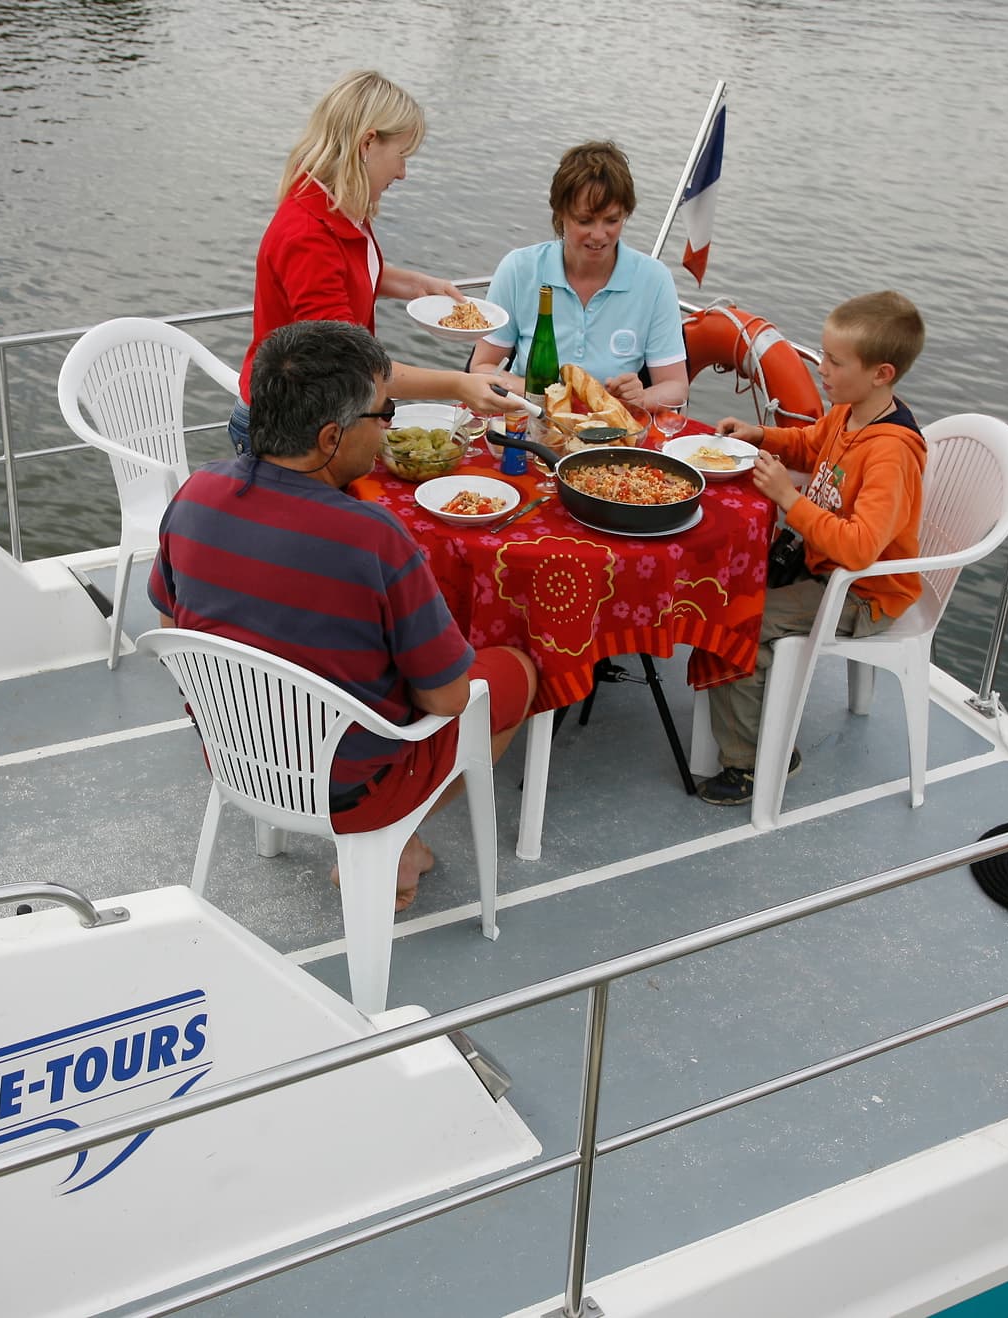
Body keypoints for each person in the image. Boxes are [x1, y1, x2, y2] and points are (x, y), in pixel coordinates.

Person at [153, 319, 537, 906]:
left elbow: (170, 631)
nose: (387, 428)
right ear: (331, 436)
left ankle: (394, 841)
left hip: (236, 754)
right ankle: (398, 836)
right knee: (517, 670)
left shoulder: (195, 493)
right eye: (384, 415)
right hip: (355, 786)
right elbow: (447, 701)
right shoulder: (372, 537)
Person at [698, 290, 929, 805]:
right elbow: (810, 445)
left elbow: (861, 548)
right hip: (819, 565)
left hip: (861, 592)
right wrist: (761, 436)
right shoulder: (850, 412)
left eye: (834, 360)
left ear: (881, 373)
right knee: (715, 588)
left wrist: (787, 498)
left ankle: (757, 761)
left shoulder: (890, 454)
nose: (821, 367)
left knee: (738, 623)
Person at [227, 70, 516, 455]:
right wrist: (457, 385)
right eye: (401, 156)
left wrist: (415, 285)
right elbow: (350, 365)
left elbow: (345, 275)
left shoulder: (337, 205)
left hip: (325, 413)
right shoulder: (307, 234)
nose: (402, 172)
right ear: (367, 143)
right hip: (286, 429)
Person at [470, 141, 689, 412]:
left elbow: (675, 387)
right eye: (584, 221)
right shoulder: (518, 269)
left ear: (626, 215)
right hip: (528, 420)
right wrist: (551, 398)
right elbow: (481, 366)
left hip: (611, 432)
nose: (599, 235)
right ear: (560, 214)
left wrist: (640, 398)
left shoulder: (654, 280)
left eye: (612, 220)